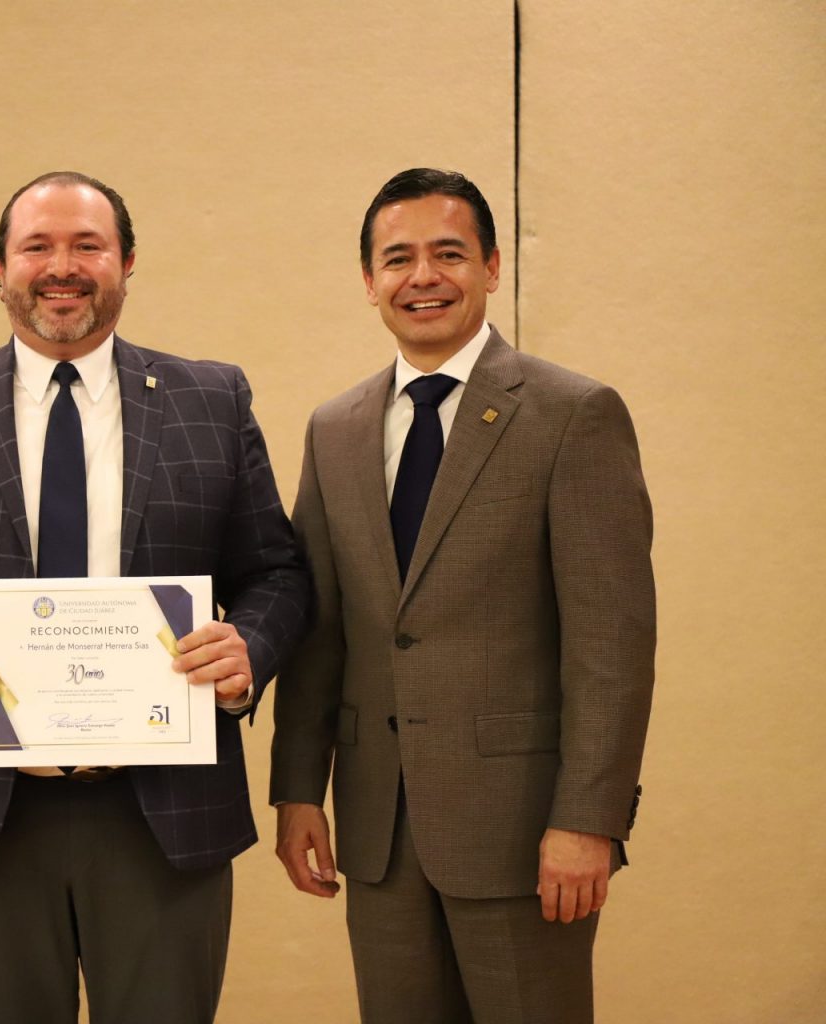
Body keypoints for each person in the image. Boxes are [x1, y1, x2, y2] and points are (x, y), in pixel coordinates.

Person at [0, 171, 309, 1024]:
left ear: (127, 262)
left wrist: (248, 651)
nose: (62, 267)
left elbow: (276, 572)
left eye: (88, 245)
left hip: (164, 811)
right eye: (37, 246)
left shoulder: (211, 399)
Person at [271, 167, 656, 1024]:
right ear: (368, 280)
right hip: (378, 827)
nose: (423, 277)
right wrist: (298, 790)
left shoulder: (573, 414)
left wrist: (589, 819)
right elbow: (321, 632)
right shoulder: (334, 430)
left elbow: (612, 646)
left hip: (524, 832)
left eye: (448, 254)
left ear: (491, 266)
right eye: (397, 258)